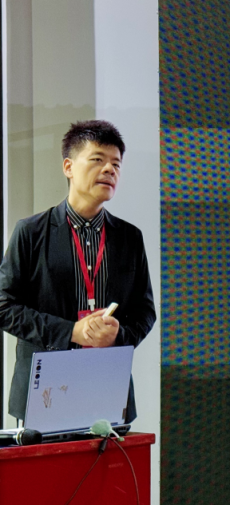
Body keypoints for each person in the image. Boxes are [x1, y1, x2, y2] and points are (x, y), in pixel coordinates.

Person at [0, 121, 156, 423]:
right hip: (44, 393)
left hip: (108, 387)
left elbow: (145, 311)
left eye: (116, 164)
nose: (109, 169)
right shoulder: (31, 232)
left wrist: (119, 336)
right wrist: (71, 332)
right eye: (98, 159)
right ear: (68, 167)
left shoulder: (129, 237)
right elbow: (4, 307)